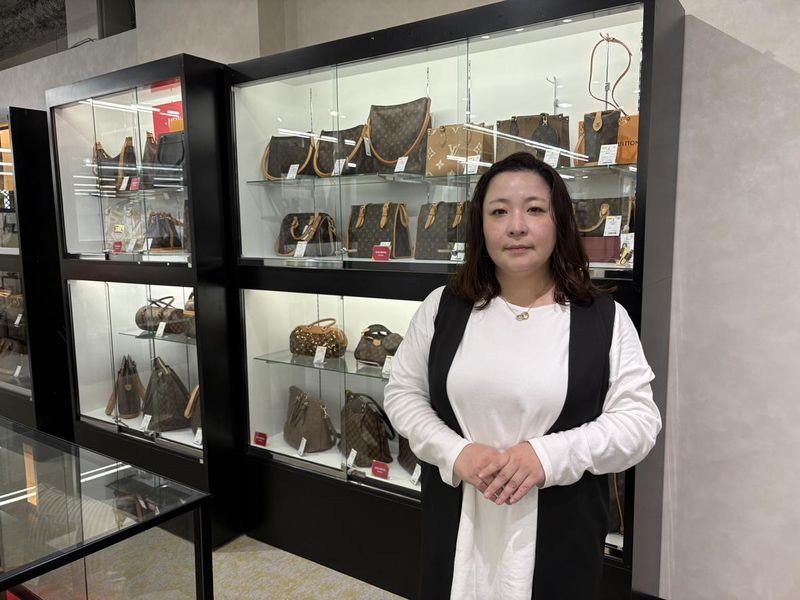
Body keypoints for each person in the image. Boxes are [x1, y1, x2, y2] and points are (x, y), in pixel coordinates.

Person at [383, 152, 661, 600]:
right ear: (481, 226)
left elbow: (638, 422)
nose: (516, 226)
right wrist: (456, 452)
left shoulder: (604, 318)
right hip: (457, 523)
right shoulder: (443, 307)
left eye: (534, 209)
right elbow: (403, 394)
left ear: (559, 222)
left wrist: (546, 457)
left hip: (561, 532)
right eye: (499, 212)